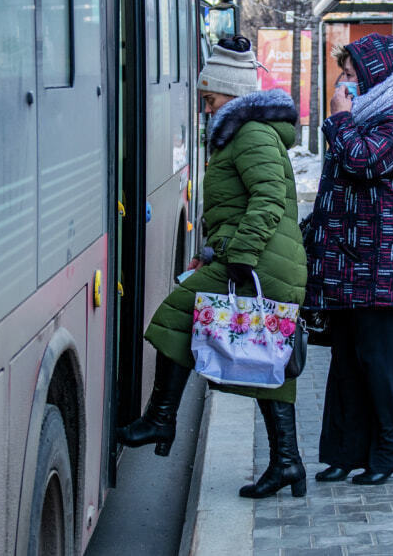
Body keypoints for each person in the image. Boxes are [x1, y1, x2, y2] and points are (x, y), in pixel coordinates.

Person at [119, 36, 309, 499]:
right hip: (263, 257)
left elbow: (269, 199)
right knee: (269, 356)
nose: (204, 104)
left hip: (262, 259)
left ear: (231, 93)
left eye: (210, 95)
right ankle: (288, 463)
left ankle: (161, 419)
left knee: (175, 316)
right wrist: (214, 248)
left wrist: (239, 256)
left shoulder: (252, 134)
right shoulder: (242, 133)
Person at [304, 33, 393, 486]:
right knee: (345, 360)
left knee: (377, 361)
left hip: (383, 263)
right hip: (347, 261)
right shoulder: (364, 117)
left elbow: (362, 165)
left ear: (373, 77)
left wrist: (338, 119)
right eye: (344, 74)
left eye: (352, 74)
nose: (344, 82)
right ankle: (345, 452)